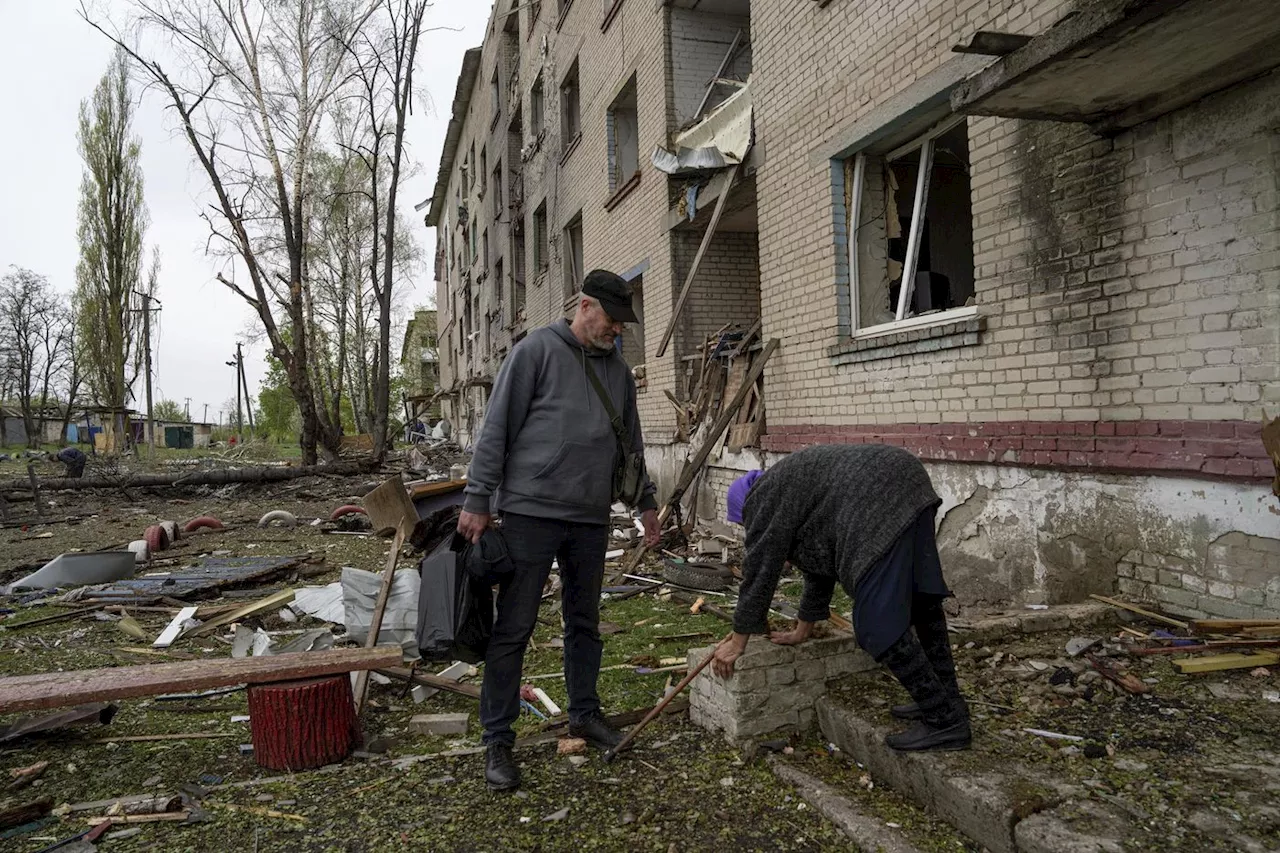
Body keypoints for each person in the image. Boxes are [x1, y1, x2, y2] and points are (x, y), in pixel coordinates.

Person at [457, 268, 662, 791]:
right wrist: (478, 498)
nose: (618, 331)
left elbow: (630, 442)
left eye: (622, 325)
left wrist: (647, 504)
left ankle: (584, 713)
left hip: (590, 518)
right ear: (586, 306)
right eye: (613, 321)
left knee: (584, 622)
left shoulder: (616, 369)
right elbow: (496, 428)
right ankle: (498, 740)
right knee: (515, 627)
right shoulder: (535, 352)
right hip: (530, 512)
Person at [710, 444, 971, 752]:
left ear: (745, 509)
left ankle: (945, 721)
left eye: (744, 524)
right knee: (920, 601)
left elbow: (759, 568)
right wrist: (802, 629)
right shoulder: (794, 490)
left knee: (876, 624)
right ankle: (947, 699)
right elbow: (820, 566)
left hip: (876, 493)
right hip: (908, 480)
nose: (748, 530)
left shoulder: (762, 498)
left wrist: (739, 640)